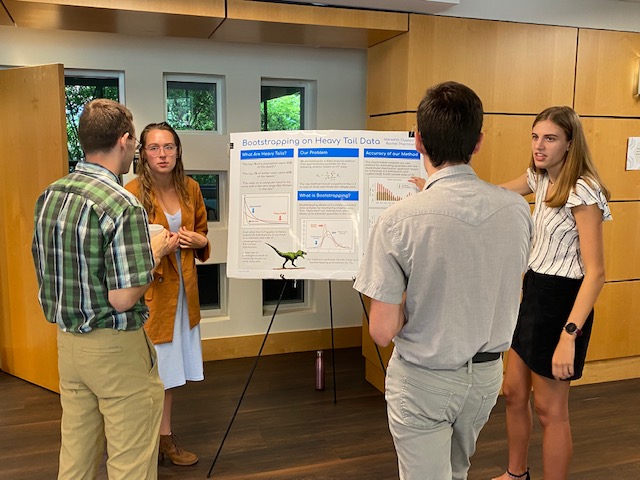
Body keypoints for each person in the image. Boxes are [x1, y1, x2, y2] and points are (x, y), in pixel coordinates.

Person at [353, 81, 533, 480]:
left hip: (423, 380)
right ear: (479, 141)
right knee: (456, 471)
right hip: (486, 378)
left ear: (418, 141)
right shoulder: (517, 210)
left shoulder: (397, 221)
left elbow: (382, 332)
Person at [31, 99, 170, 479]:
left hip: (68, 344)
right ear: (124, 141)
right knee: (131, 461)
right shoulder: (122, 204)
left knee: (76, 456)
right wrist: (154, 251)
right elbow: (123, 297)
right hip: (114, 348)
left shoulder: (51, 194)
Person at [492, 106, 612, 480]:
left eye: (550, 138)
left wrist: (569, 336)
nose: (539, 146)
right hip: (534, 292)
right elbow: (493, 194)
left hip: (564, 302)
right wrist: (440, 186)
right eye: (535, 136)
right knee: (513, 392)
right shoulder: (540, 176)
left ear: (569, 143)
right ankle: (516, 474)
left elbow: (597, 273)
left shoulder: (583, 190)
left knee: (550, 410)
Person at [125, 122, 210, 466]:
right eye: (154, 148)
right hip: (149, 296)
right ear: (142, 154)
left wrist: (201, 242)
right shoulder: (131, 193)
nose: (163, 154)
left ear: (178, 151)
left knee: (170, 372)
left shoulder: (190, 188)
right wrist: (158, 248)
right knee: (146, 374)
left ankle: (164, 439)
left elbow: (202, 233)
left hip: (182, 294)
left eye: (169, 147)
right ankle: (138, 445)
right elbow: (125, 250)